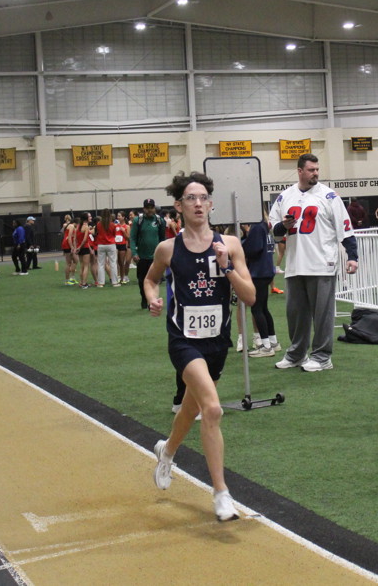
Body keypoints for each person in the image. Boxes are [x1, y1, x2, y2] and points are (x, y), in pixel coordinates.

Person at [144, 171, 255, 522]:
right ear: (179, 206)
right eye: (190, 198)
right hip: (183, 340)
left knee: (190, 410)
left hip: (217, 342)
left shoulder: (230, 244)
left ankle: (167, 451)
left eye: (203, 197)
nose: (197, 203)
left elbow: (250, 297)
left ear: (210, 204)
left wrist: (227, 267)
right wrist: (153, 298)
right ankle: (221, 493)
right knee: (212, 409)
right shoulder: (168, 249)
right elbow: (150, 278)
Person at [268, 153, 359, 372]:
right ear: (300, 171)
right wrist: (284, 226)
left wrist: (352, 256)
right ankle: (297, 354)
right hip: (295, 264)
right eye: (311, 170)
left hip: (322, 263)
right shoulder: (284, 196)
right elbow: (274, 231)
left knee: (322, 315)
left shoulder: (329, 196)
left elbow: (345, 228)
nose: (315, 173)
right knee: (296, 315)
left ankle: (322, 356)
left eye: (317, 169)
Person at [242, 220, 280, 357]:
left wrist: (243, 241)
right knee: (263, 308)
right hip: (267, 270)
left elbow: (253, 249)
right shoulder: (264, 225)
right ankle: (272, 342)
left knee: (257, 308)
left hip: (259, 272)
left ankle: (266, 346)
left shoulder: (257, 227)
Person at [131, 198, 167, 308]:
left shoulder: (160, 221)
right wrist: (134, 253)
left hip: (155, 257)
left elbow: (162, 239)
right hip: (141, 257)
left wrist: (162, 254)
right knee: (142, 280)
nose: (150, 210)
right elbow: (132, 238)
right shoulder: (138, 220)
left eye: (151, 207)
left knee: (155, 280)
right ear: (144, 209)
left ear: (154, 208)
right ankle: (144, 298)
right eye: (147, 208)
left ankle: (153, 300)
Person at [93, 208, 120, 287]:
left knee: (101, 264)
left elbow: (97, 233)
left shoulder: (98, 224)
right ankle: (114, 282)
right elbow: (114, 234)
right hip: (111, 244)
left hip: (101, 245)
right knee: (113, 263)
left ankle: (101, 283)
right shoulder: (112, 224)